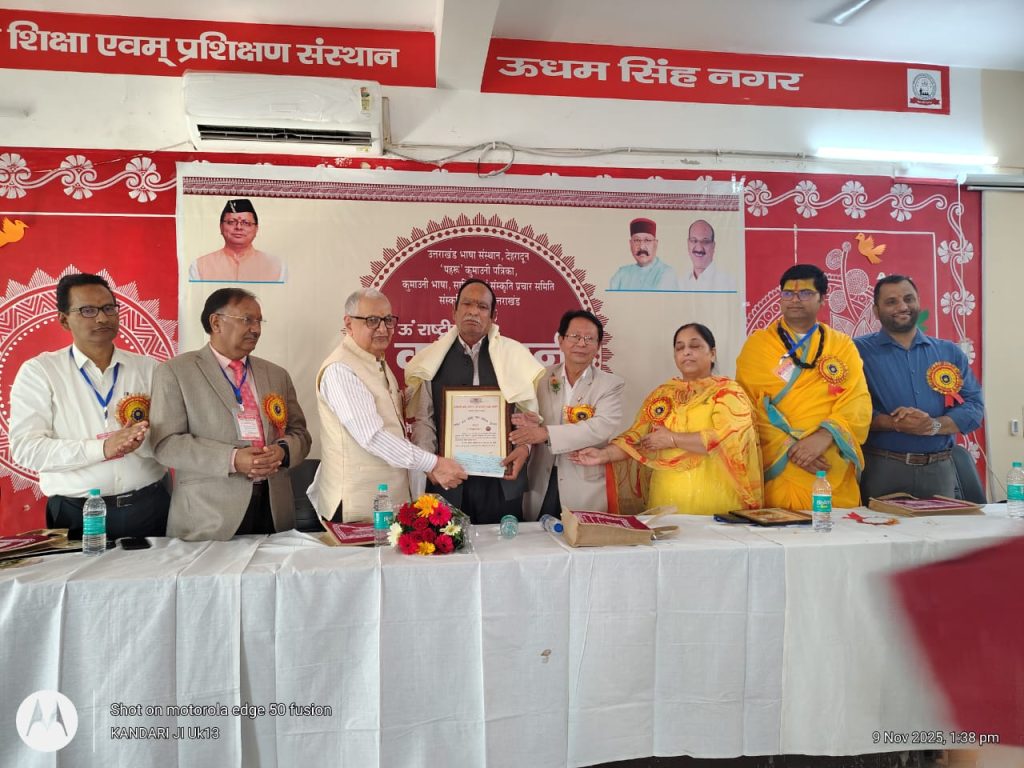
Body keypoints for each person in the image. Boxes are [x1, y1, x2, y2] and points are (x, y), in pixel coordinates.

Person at [9, 273, 170, 540]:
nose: (102, 318)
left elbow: (171, 435)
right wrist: (103, 448)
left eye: (108, 308)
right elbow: (27, 449)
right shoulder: (41, 371)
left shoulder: (149, 368)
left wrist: (143, 442)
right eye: (87, 310)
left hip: (150, 507)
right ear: (64, 320)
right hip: (75, 513)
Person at [149, 288, 311, 540]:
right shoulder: (175, 372)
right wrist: (232, 459)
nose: (256, 329)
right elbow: (166, 444)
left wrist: (282, 451)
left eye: (259, 321)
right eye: (247, 320)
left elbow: (299, 433)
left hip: (273, 510)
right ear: (216, 323)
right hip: (209, 515)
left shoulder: (276, 374)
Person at [308, 288, 468, 522]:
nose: (383, 328)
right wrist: (432, 463)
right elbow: (373, 437)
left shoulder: (377, 362)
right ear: (349, 323)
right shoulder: (341, 370)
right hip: (358, 506)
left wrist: (431, 386)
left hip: (387, 502)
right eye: (372, 320)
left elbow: (390, 413)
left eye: (388, 320)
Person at [572, 323, 762, 515]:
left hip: (716, 500)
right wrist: (604, 455)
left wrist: (672, 439)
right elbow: (637, 437)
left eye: (694, 346)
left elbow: (728, 440)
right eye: (680, 348)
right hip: (665, 498)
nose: (686, 352)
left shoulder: (728, 392)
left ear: (712, 353)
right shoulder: (663, 394)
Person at [405, 279, 545, 524]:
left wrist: (524, 448)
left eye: (482, 306)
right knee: (448, 546)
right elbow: (425, 420)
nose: (473, 311)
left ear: (493, 316)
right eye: (467, 304)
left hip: (502, 481)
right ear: (454, 310)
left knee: (506, 547)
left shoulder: (514, 356)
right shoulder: (431, 360)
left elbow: (527, 417)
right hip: (448, 481)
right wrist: (430, 465)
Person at [736, 264, 872, 510]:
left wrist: (825, 436)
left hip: (827, 460)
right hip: (779, 466)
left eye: (805, 293)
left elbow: (857, 400)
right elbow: (746, 406)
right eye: (788, 293)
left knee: (834, 532)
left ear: (822, 299)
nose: (795, 300)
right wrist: (793, 449)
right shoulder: (757, 346)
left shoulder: (842, 346)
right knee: (779, 530)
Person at [855, 275, 984, 500]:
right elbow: (849, 409)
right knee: (882, 524)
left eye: (908, 299)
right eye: (891, 301)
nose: (902, 307)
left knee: (942, 525)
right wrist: (894, 423)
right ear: (876, 311)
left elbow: (974, 407)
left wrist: (933, 425)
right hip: (882, 469)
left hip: (939, 470)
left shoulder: (949, 351)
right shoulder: (857, 351)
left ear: (918, 302)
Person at [509, 310, 625, 519]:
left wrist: (546, 433)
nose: (581, 343)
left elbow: (600, 427)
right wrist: (527, 425)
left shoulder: (610, 384)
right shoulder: (539, 378)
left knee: (582, 538)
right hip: (540, 479)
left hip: (583, 484)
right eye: (575, 336)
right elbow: (525, 422)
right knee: (536, 537)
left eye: (589, 338)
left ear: (598, 346)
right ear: (561, 340)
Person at [189, 199, 287, 283]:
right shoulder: (200, 266)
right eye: (231, 222)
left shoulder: (277, 266)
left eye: (246, 223)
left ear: (256, 229)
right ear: (221, 227)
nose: (239, 227)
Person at [608, 218, 679, 291]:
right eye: (637, 240)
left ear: (655, 244)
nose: (641, 246)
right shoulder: (621, 274)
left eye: (647, 240)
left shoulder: (667, 273)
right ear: (630, 244)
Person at [679, 219, 736, 292]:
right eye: (694, 240)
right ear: (688, 244)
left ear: (713, 246)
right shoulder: (680, 283)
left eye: (705, 242)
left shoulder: (729, 284)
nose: (699, 248)